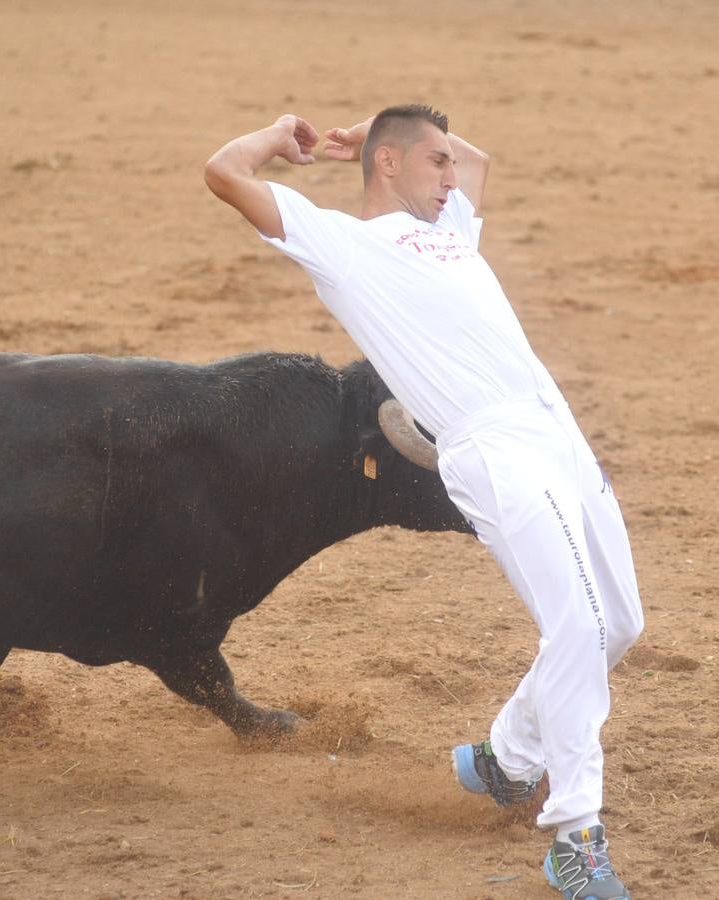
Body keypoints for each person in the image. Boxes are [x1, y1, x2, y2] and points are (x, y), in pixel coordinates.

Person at [205, 105, 644, 899]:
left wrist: (379, 122)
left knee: (619, 624)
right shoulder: (342, 244)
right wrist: (280, 134)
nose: (452, 176)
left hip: (557, 433)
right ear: (390, 167)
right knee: (575, 625)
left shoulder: (450, 230)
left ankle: (506, 760)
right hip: (492, 448)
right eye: (432, 163)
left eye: (446, 166)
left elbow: (476, 165)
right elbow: (225, 174)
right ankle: (576, 837)